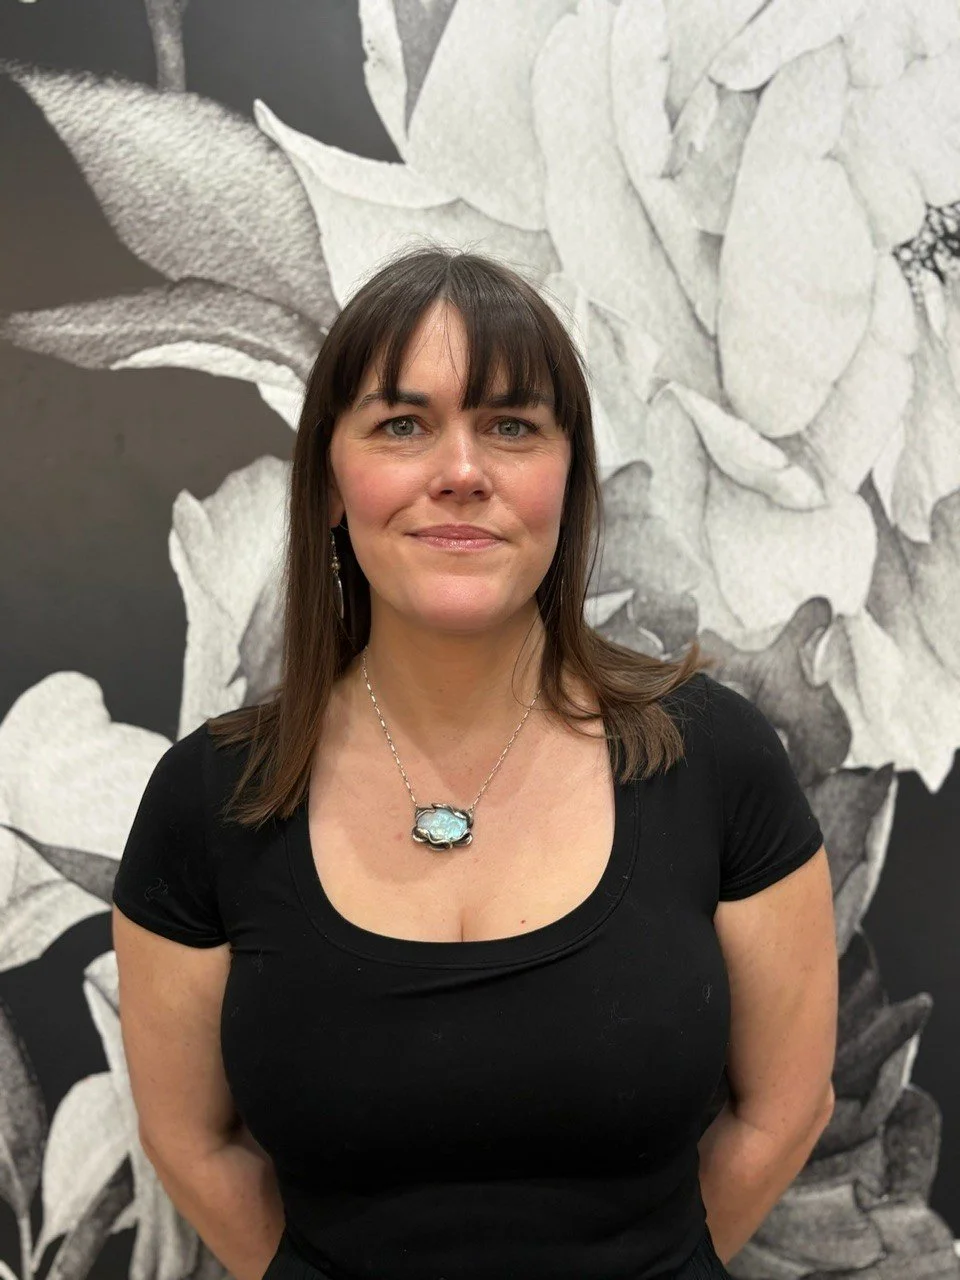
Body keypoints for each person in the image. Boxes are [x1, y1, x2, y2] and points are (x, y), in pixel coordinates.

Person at [111, 245, 838, 1280]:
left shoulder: (714, 760)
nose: (461, 470)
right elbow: (192, 1142)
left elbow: (785, 1108)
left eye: (511, 426)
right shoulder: (209, 798)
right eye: (402, 425)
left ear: (567, 478)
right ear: (331, 482)